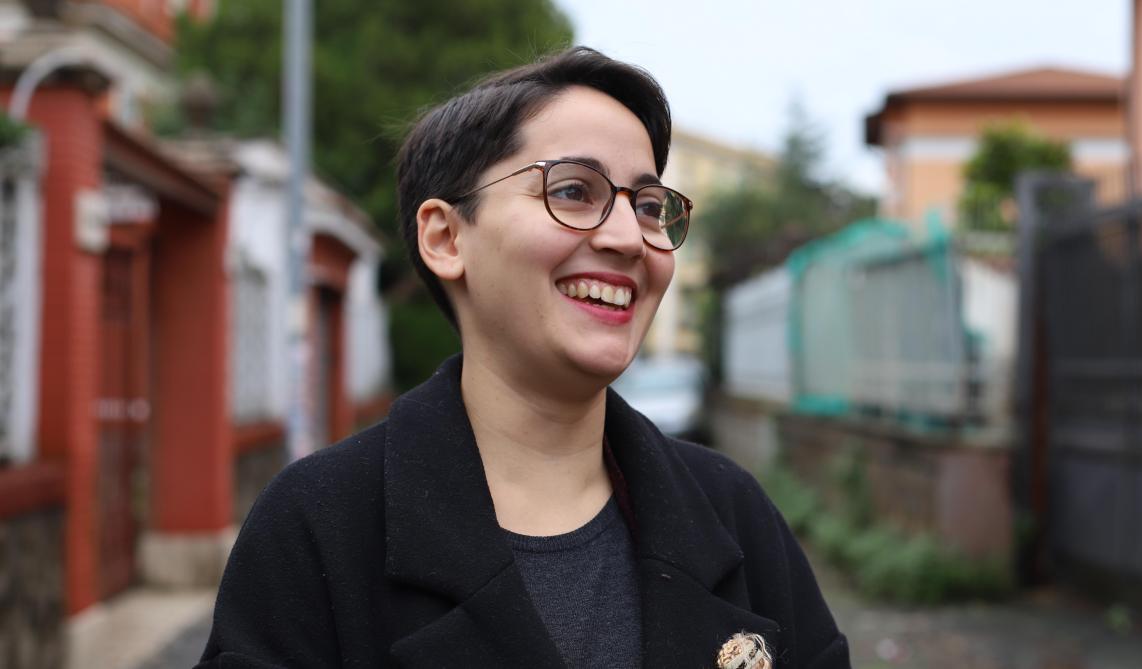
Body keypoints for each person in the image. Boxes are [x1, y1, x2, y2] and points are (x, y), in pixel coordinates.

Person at [196, 46, 849, 669]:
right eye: (573, 191)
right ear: (445, 237)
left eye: (650, 207)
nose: (630, 238)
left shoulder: (731, 511)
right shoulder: (318, 526)